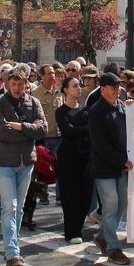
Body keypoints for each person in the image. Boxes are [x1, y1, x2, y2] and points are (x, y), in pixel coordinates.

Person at [0, 66, 47, 266]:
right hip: (4, 161)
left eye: (20, 84)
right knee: (10, 206)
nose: (16, 88)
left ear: (26, 84)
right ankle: (12, 253)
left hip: (26, 162)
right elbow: (1, 131)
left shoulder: (34, 102)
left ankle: (14, 243)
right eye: (13, 84)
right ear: (7, 84)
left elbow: (42, 129)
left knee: (19, 208)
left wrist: (21, 127)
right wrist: (28, 131)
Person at [89, 72, 132, 264]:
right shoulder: (96, 111)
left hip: (120, 166)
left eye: (119, 86)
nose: (118, 89)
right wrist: (122, 160)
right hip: (105, 167)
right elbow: (100, 144)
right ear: (103, 89)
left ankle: (101, 236)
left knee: (122, 203)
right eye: (113, 87)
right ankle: (114, 247)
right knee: (110, 205)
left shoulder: (122, 107)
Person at [55, 75, 92, 244]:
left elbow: (92, 129)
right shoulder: (61, 111)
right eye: (75, 86)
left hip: (85, 157)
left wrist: (84, 129)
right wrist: (86, 128)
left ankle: (78, 226)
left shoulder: (86, 110)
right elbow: (68, 130)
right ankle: (71, 232)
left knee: (86, 195)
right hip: (68, 158)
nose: (78, 88)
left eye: (79, 85)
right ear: (66, 90)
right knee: (70, 195)